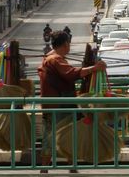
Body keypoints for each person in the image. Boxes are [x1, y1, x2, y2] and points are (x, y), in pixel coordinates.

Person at [37, 32, 107, 173]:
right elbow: (72, 73)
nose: (69, 47)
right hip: (60, 106)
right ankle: (63, 168)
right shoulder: (55, 59)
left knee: (55, 137)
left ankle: (52, 169)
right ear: (65, 44)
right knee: (62, 137)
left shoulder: (49, 57)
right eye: (69, 43)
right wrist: (94, 68)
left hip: (54, 105)